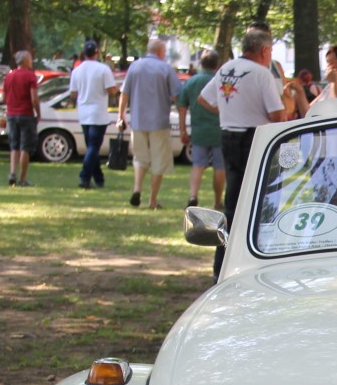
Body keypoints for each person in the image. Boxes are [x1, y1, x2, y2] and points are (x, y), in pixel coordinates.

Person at [199, 26, 295, 275]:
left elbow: (204, 99)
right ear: (264, 50)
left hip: (229, 135)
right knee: (262, 201)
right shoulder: (261, 73)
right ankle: (256, 259)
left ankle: (222, 263)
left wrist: (231, 112)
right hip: (254, 137)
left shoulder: (226, 68)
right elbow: (277, 114)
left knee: (232, 204)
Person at [118, 37, 184, 209]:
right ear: (160, 52)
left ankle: (137, 189)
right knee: (159, 161)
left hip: (138, 121)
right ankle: (152, 200)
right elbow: (177, 95)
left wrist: (120, 115)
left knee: (140, 158)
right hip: (159, 121)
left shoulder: (135, 67)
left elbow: (124, 93)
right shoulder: (165, 68)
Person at [68, 39, 117, 190]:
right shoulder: (103, 69)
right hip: (98, 113)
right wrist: (117, 89)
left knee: (91, 146)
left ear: (84, 53)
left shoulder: (77, 70)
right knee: (94, 147)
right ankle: (84, 176)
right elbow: (111, 90)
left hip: (84, 113)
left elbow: (73, 94)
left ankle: (98, 178)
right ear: (97, 53)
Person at [179, 49, 225, 210]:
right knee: (220, 167)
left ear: (201, 63)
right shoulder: (221, 81)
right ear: (217, 64)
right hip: (220, 129)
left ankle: (193, 195)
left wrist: (182, 130)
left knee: (198, 165)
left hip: (199, 130)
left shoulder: (191, 82)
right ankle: (218, 200)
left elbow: (182, 107)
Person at [2, 49, 41, 187]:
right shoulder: (30, 76)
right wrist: (38, 112)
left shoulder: (9, 76)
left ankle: (12, 172)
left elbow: (3, 97)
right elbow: (34, 98)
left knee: (14, 146)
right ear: (25, 61)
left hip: (11, 114)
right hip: (26, 114)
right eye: (30, 58)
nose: (31, 61)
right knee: (25, 147)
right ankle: (22, 178)